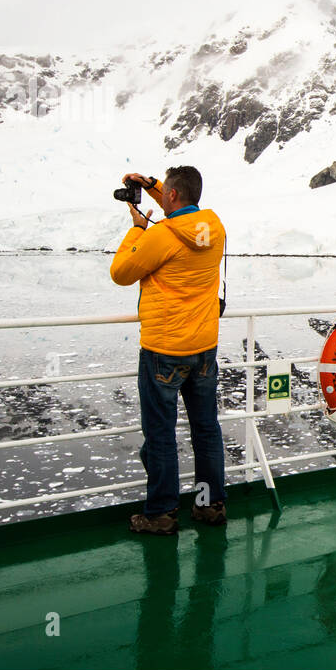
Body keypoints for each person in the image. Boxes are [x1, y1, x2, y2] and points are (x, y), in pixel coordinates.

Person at [110, 166, 228, 534]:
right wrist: (152, 185)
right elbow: (181, 204)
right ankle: (210, 506)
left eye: (165, 194)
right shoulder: (216, 227)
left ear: (171, 197)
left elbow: (121, 272)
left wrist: (136, 227)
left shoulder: (161, 235)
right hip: (204, 348)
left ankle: (160, 513)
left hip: (164, 350)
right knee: (206, 429)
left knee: (160, 434)